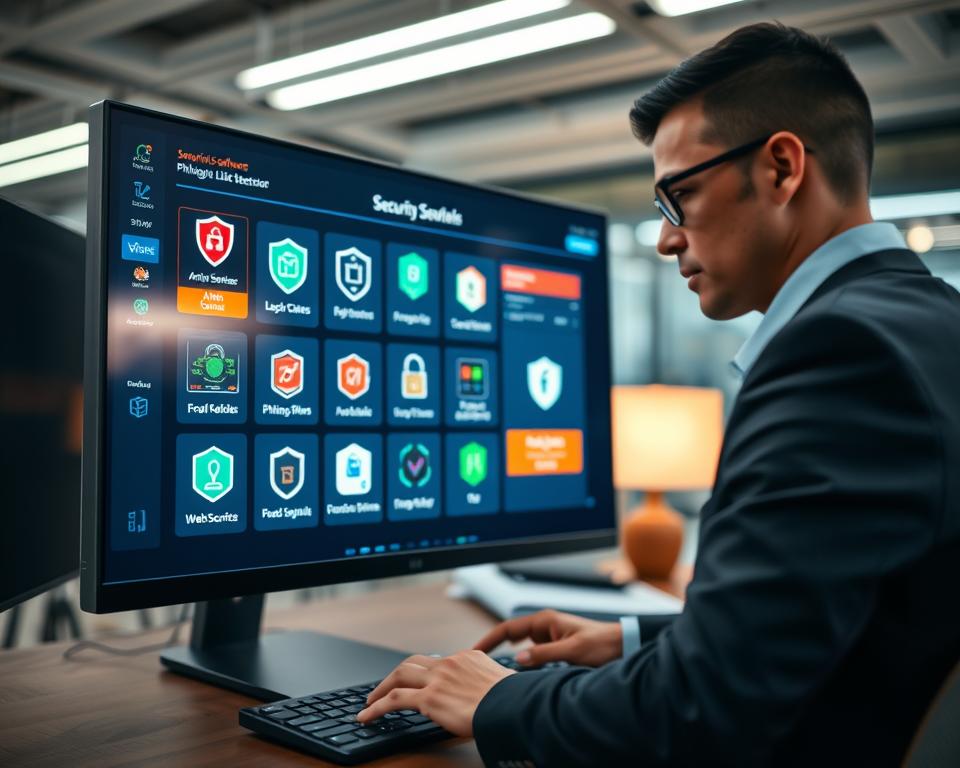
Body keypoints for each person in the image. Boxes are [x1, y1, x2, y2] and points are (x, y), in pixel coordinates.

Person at [358, 22, 960, 766]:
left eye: (680, 196)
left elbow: (699, 712)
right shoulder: (931, 322)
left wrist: (494, 698)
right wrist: (640, 640)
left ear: (780, 168)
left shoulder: (842, 352)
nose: (667, 238)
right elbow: (855, 614)